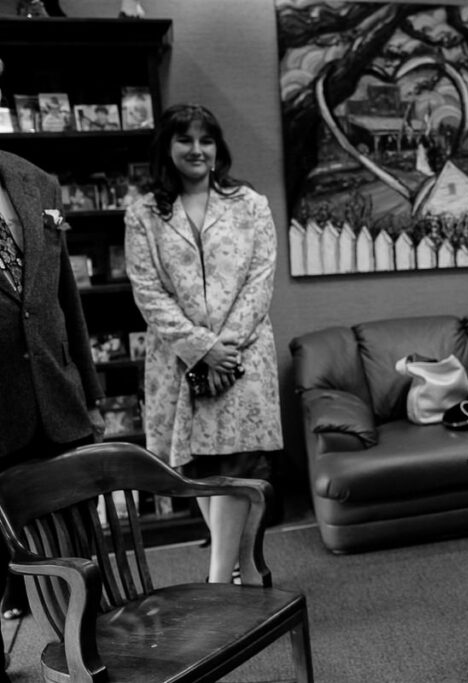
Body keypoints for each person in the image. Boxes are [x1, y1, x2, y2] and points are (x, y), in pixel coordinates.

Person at [124, 104, 283, 584]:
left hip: (243, 356)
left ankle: (220, 580)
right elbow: (147, 291)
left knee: (238, 464)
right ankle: (249, 571)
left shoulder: (249, 204)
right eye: (185, 140)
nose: (197, 150)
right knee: (201, 469)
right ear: (167, 149)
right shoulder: (143, 214)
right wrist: (200, 347)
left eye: (206, 140)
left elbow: (261, 278)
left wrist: (224, 348)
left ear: (218, 148)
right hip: (177, 360)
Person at [0, 149, 105, 677]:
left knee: (79, 554)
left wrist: (89, 392)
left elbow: (65, 296)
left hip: (57, 401)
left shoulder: (35, 180)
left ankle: (87, 661)